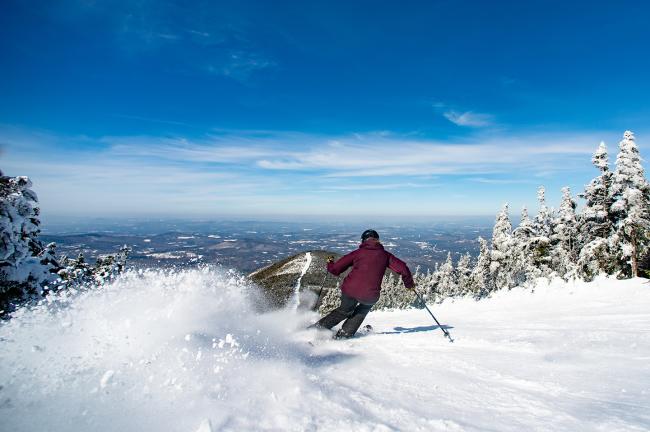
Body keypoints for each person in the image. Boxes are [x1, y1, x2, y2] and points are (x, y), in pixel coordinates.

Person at [312, 229, 415, 339]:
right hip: (370, 295)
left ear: (363, 241)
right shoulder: (386, 255)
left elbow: (335, 270)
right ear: (378, 241)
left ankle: (317, 329)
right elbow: (403, 268)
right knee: (362, 311)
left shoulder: (357, 253)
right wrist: (409, 285)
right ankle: (344, 334)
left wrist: (330, 262)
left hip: (350, 290)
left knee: (343, 311)